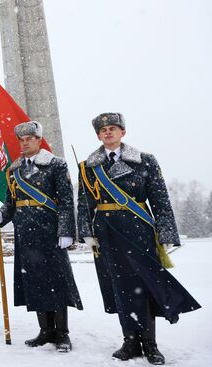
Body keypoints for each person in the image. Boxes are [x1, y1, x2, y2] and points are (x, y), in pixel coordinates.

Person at [77, 112, 201, 365]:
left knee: (145, 285)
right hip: (107, 233)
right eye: (103, 130)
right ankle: (130, 341)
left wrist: (166, 233)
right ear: (98, 135)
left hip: (138, 230)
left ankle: (150, 344)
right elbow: (84, 203)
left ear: (123, 132)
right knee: (121, 288)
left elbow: (160, 199)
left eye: (113, 128)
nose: (108, 132)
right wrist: (87, 233)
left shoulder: (145, 160)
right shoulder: (89, 166)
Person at [0, 121, 83, 352]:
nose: (24, 143)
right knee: (35, 282)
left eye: (29, 139)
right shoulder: (14, 170)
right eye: (21, 140)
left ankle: (62, 333)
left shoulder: (56, 165)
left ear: (39, 140)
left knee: (56, 282)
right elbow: (11, 203)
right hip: (26, 233)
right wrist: (0, 217)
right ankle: (45, 331)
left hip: (50, 233)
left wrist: (65, 231)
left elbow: (65, 201)